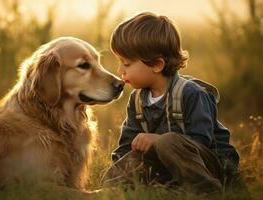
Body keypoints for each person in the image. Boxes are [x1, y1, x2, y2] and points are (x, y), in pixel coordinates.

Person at [102, 12, 239, 194]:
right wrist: (122, 167)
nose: (120, 70)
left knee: (168, 142)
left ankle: (207, 192)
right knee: (111, 178)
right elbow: (128, 145)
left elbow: (202, 142)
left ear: (157, 65)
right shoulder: (136, 100)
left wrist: (157, 141)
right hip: (166, 166)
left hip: (207, 166)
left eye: (126, 64)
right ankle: (151, 188)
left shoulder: (192, 94)